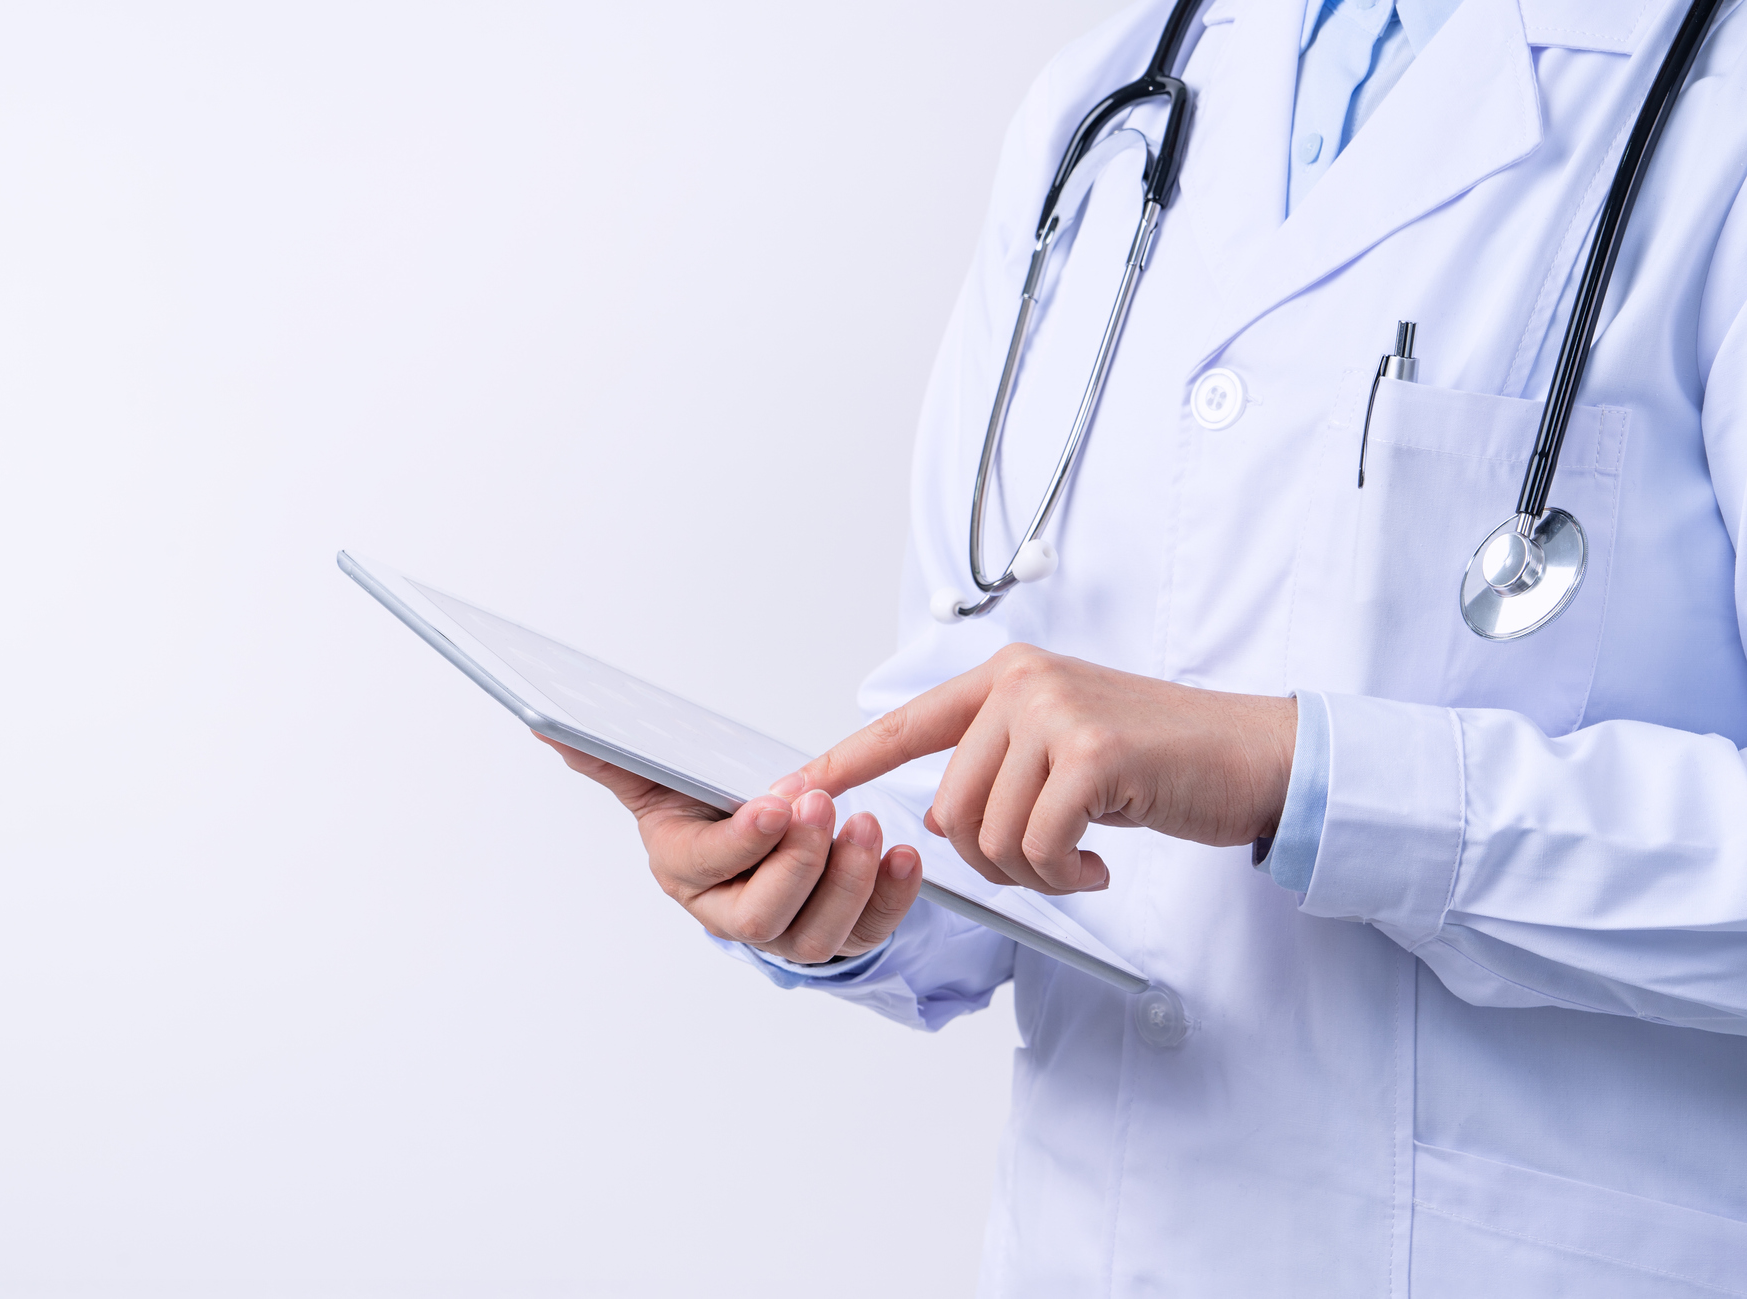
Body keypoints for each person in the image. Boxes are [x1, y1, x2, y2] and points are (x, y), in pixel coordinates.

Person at [549, 0, 1747, 1292]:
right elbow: (990, 727)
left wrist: (1295, 772)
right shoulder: (1107, 105)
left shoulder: (1712, 111)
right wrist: (827, 873)